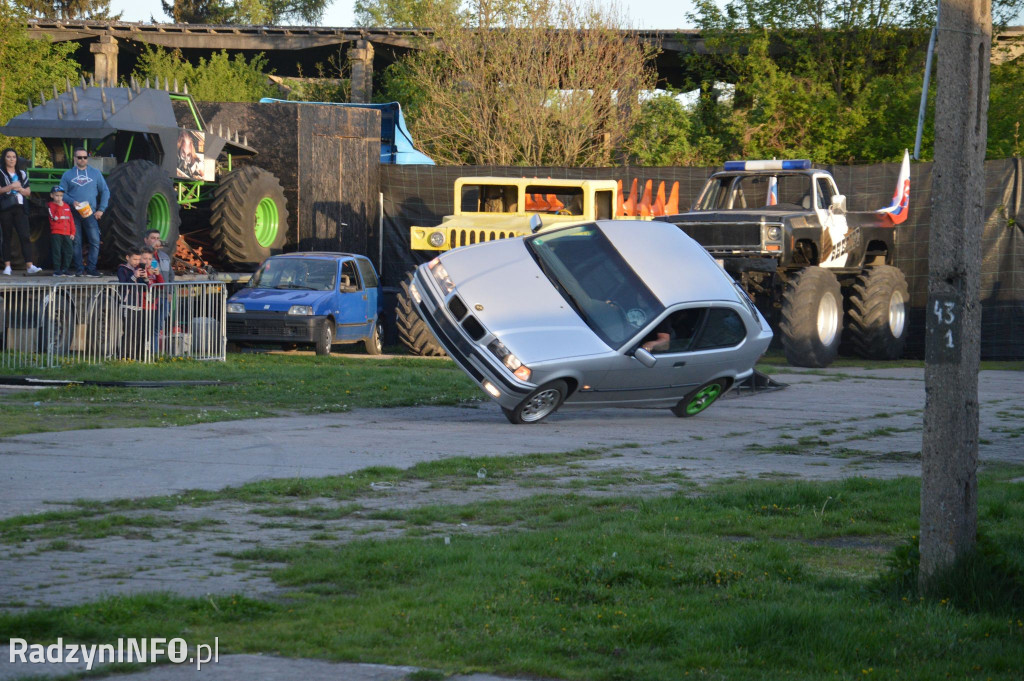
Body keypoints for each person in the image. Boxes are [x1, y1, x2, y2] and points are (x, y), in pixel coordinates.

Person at [59, 148, 108, 278]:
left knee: (95, 240)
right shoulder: (67, 175)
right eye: (79, 157)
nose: (82, 160)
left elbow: (105, 191)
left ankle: (91, 269)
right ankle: (79, 269)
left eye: (85, 157)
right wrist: (72, 201)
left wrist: (101, 209)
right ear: (74, 158)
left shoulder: (95, 173)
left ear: (87, 158)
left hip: (89, 212)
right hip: (73, 213)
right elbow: (61, 193)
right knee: (76, 241)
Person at [0, 148, 42, 275]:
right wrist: (11, 187)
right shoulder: (1, 172)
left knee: (25, 235)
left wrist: (19, 189)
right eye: (9, 157)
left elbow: (28, 191)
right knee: (7, 237)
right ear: (4, 158)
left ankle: (29, 265)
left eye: (14, 157)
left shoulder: (22, 173)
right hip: (6, 207)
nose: (12, 159)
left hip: (20, 207)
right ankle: (7, 266)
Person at [117, 248, 151, 360]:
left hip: (138, 304)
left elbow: (146, 287)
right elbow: (124, 285)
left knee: (137, 331)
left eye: (138, 259)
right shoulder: (122, 269)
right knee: (128, 331)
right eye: (134, 259)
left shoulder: (137, 269)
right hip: (128, 304)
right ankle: (124, 355)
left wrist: (145, 277)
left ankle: (134, 355)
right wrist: (134, 276)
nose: (137, 262)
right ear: (127, 257)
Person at [47, 186, 75, 277]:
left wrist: (72, 232)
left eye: (61, 196)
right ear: (52, 195)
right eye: (57, 195)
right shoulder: (50, 206)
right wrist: (59, 207)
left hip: (67, 233)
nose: (59, 198)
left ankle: (65, 269)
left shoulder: (67, 206)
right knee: (57, 251)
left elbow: (71, 220)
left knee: (69, 251)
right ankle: (57, 270)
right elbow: (53, 217)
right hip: (56, 232)